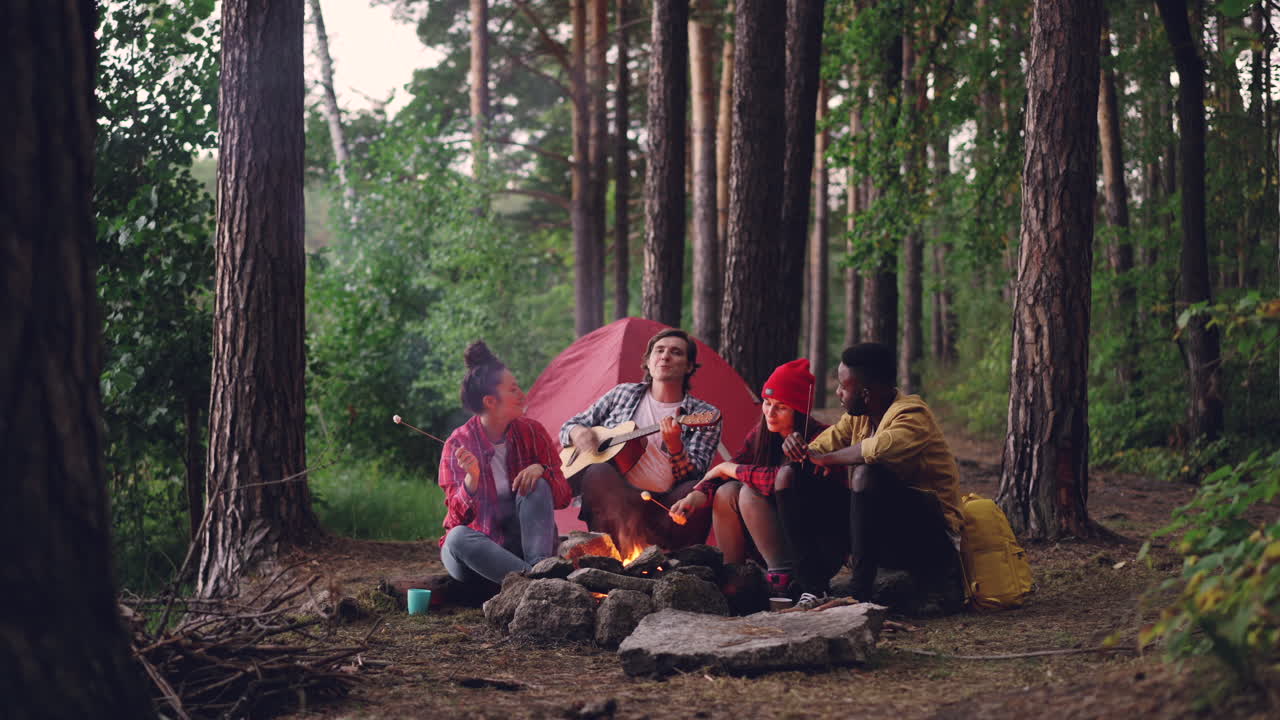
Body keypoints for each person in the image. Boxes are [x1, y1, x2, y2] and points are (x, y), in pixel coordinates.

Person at [804, 342, 965, 613]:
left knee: (867, 474)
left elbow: (879, 449)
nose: (838, 392)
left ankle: (859, 595)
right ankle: (808, 585)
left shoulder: (913, 414)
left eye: (844, 386)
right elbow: (822, 445)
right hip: (888, 532)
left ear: (866, 393)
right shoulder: (858, 417)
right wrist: (803, 451)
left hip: (929, 538)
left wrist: (826, 459)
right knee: (797, 476)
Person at [670, 358, 845, 607]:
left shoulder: (821, 438)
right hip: (774, 538)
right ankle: (736, 577)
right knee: (727, 491)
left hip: (817, 548)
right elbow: (726, 473)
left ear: (799, 409)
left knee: (748, 492)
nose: (770, 413)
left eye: (781, 407)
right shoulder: (762, 435)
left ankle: (781, 580)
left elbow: (780, 479)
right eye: (767, 402)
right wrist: (697, 495)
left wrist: (729, 468)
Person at [560, 328, 721, 551]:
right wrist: (579, 433)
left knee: (696, 489)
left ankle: (682, 564)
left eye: (676, 352)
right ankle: (609, 555)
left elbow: (696, 475)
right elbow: (568, 427)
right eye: (659, 351)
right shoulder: (622, 394)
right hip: (618, 499)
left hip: (665, 504)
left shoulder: (703, 414)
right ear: (648, 361)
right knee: (597, 473)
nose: (665, 356)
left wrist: (676, 448)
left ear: (689, 366)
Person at [438, 341, 573, 585]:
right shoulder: (458, 443)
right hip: (479, 559)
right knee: (456, 538)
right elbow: (455, 521)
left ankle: (536, 575)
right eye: (513, 390)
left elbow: (564, 497)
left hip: (523, 553)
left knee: (537, 484)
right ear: (490, 401)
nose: (522, 394)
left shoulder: (533, 432)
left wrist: (542, 470)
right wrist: (472, 480)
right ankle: (540, 584)